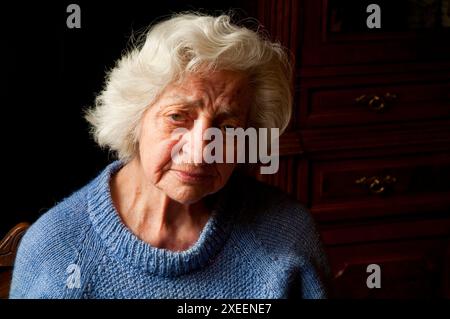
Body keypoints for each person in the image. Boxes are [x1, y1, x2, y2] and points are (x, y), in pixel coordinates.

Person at [10, 13, 330, 299]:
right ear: (134, 119)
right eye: (178, 117)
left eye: (228, 126)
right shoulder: (57, 251)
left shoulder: (288, 236)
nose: (201, 149)